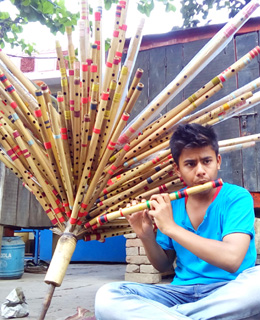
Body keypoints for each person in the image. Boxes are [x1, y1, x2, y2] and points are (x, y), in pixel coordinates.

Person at [95, 123, 260, 320]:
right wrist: (146, 235)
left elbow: (232, 260)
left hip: (228, 290)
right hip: (180, 294)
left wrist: (171, 228)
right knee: (108, 296)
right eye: (190, 164)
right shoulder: (172, 205)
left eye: (206, 161)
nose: (200, 171)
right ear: (178, 169)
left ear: (218, 161)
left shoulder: (237, 197)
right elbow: (163, 265)